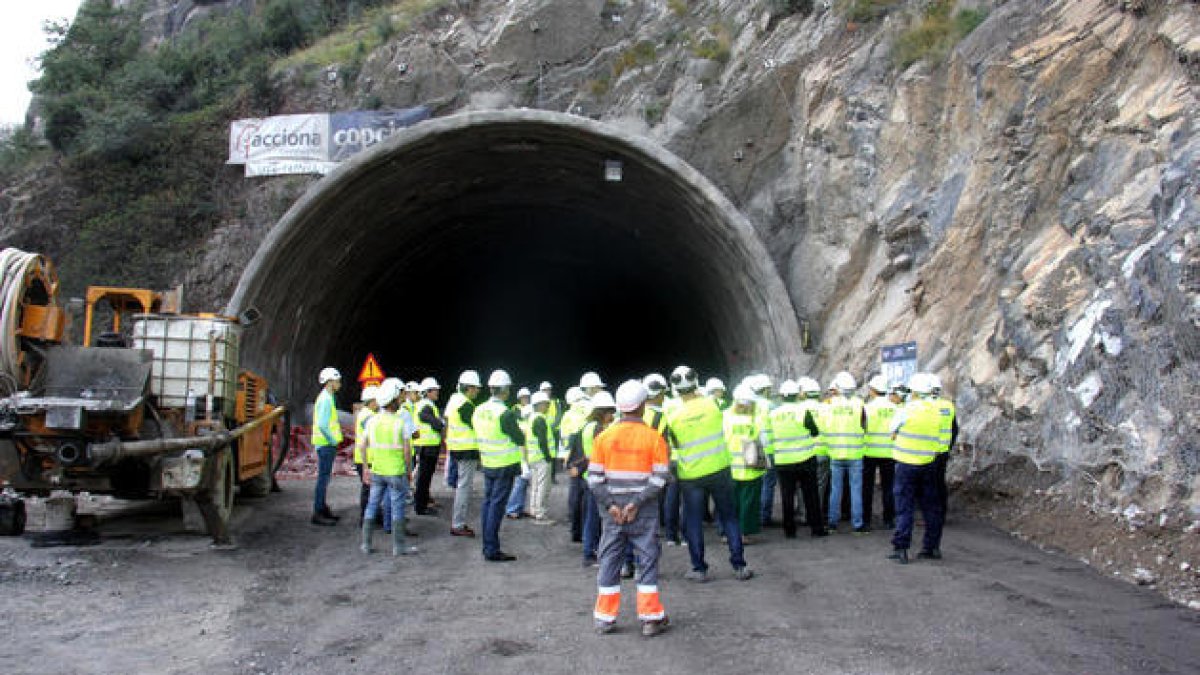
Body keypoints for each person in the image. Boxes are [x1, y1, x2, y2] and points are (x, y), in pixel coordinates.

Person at [589, 380, 671, 637]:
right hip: (642, 512)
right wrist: (636, 503)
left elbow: (594, 479)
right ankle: (649, 619)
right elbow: (659, 478)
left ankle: (604, 618)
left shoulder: (603, 438)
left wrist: (612, 506)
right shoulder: (654, 438)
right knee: (647, 560)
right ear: (643, 406)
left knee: (609, 560)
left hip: (612, 514)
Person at [666, 365, 753, 582]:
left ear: (675, 389)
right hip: (719, 469)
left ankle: (699, 569)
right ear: (696, 383)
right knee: (730, 517)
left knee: (693, 522)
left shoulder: (673, 415)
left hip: (691, 475)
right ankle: (739, 565)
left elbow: (673, 443)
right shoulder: (712, 405)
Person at [888, 373, 946, 564]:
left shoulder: (906, 410)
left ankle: (902, 548)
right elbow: (939, 439)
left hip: (906, 465)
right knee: (931, 507)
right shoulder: (936, 411)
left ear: (913, 391)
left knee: (905, 507)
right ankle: (932, 546)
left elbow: (892, 431)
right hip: (928, 464)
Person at [360, 380, 418, 556]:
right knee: (397, 507)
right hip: (396, 471)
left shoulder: (372, 421)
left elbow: (363, 446)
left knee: (372, 505)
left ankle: (366, 544)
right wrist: (409, 471)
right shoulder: (400, 422)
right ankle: (398, 547)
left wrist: (365, 468)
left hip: (377, 470)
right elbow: (407, 450)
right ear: (393, 400)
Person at [473, 369, 525, 561]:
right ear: (504, 390)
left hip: (488, 462)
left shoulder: (479, 410)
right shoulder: (505, 413)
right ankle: (491, 549)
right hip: (504, 465)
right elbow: (519, 438)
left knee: (488, 504)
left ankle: (487, 545)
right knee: (496, 507)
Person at [769, 379, 826, 538]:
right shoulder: (802, 411)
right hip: (805, 459)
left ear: (781, 396)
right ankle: (816, 528)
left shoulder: (773, 414)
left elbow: (768, 436)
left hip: (783, 461)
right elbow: (814, 431)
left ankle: (789, 529)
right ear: (797, 395)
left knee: (787, 496)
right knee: (811, 495)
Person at [572, 392, 618, 567]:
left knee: (590, 516)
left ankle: (591, 549)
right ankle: (589, 553)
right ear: (602, 412)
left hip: (587, 476)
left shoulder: (587, 426)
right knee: (593, 517)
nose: (612, 416)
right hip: (596, 477)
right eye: (610, 412)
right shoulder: (598, 428)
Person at [824, 371, 866, 534]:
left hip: (836, 453)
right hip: (855, 453)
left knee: (836, 489)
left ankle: (832, 522)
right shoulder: (860, 404)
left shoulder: (829, 404)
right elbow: (864, 425)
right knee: (856, 489)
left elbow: (823, 425)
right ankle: (858, 524)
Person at [642, 373, 680, 546]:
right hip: (661, 461)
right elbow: (668, 441)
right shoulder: (663, 416)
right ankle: (671, 535)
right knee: (670, 497)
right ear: (659, 395)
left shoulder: (638, 414)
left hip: (640, 463)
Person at [725, 385, 765, 544]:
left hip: (730, 467)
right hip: (750, 467)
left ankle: (728, 533)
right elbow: (761, 439)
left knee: (731, 502)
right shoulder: (754, 418)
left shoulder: (725, 416)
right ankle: (743, 533)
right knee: (748, 503)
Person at [446, 370, 482, 537]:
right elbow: (478, 427)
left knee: (461, 485)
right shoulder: (465, 405)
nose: (478, 391)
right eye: (476, 388)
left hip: (456, 448)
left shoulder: (454, 400)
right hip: (466, 450)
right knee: (464, 488)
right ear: (469, 388)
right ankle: (458, 524)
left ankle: (458, 522)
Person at [862, 375, 898, 529]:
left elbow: (862, 428)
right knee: (888, 487)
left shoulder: (867, 408)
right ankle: (888, 519)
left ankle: (866, 518)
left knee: (867, 487)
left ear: (873, 390)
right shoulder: (895, 408)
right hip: (889, 452)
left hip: (869, 451)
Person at [311, 367, 343, 526]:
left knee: (324, 478)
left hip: (325, 445)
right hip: (325, 445)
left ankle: (322, 508)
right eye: (337, 381)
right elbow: (323, 425)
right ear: (329, 382)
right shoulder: (325, 399)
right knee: (323, 480)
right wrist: (332, 440)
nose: (339, 384)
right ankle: (318, 512)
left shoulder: (328, 398)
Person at [561, 386, 593, 543]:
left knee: (575, 497)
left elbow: (566, 442)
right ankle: (587, 532)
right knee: (588, 498)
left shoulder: (568, 415)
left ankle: (575, 532)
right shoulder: (591, 408)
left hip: (573, 459)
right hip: (588, 459)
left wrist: (567, 462)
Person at [412, 377, 445, 516]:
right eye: (435, 390)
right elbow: (437, 425)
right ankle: (421, 507)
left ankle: (422, 503)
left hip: (426, 446)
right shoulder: (426, 406)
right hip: (427, 447)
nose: (437, 392)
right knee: (424, 479)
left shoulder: (425, 405)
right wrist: (440, 423)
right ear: (427, 392)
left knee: (424, 478)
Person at [750, 374, 779, 528]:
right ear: (765, 389)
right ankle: (764, 517)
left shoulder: (748, 405)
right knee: (768, 484)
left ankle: (753, 516)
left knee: (755, 484)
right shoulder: (771, 406)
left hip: (753, 447)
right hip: (769, 449)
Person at [524, 391, 556, 524]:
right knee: (543, 486)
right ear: (539, 405)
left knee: (536, 486)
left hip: (533, 457)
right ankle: (540, 514)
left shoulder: (531, 418)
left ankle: (534, 509)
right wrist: (548, 456)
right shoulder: (540, 419)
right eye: (546, 404)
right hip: (542, 458)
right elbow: (542, 440)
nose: (548, 406)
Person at [929, 374, 958, 519]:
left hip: (928, 452)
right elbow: (954, 429)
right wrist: (948, 446)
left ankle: (932, 514)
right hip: (943, 451)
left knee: (930, 485)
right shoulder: (948, 406)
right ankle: (942, 512)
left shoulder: (927, 407)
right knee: (940, 483)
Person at [353, 385, 380, 524]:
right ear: (372, 401)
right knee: (368, 489)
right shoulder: (367, 415)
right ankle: (365, 519)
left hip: (366, 458)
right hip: (366, 459)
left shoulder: (367, 413)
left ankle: (372, 516)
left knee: (371, 489)